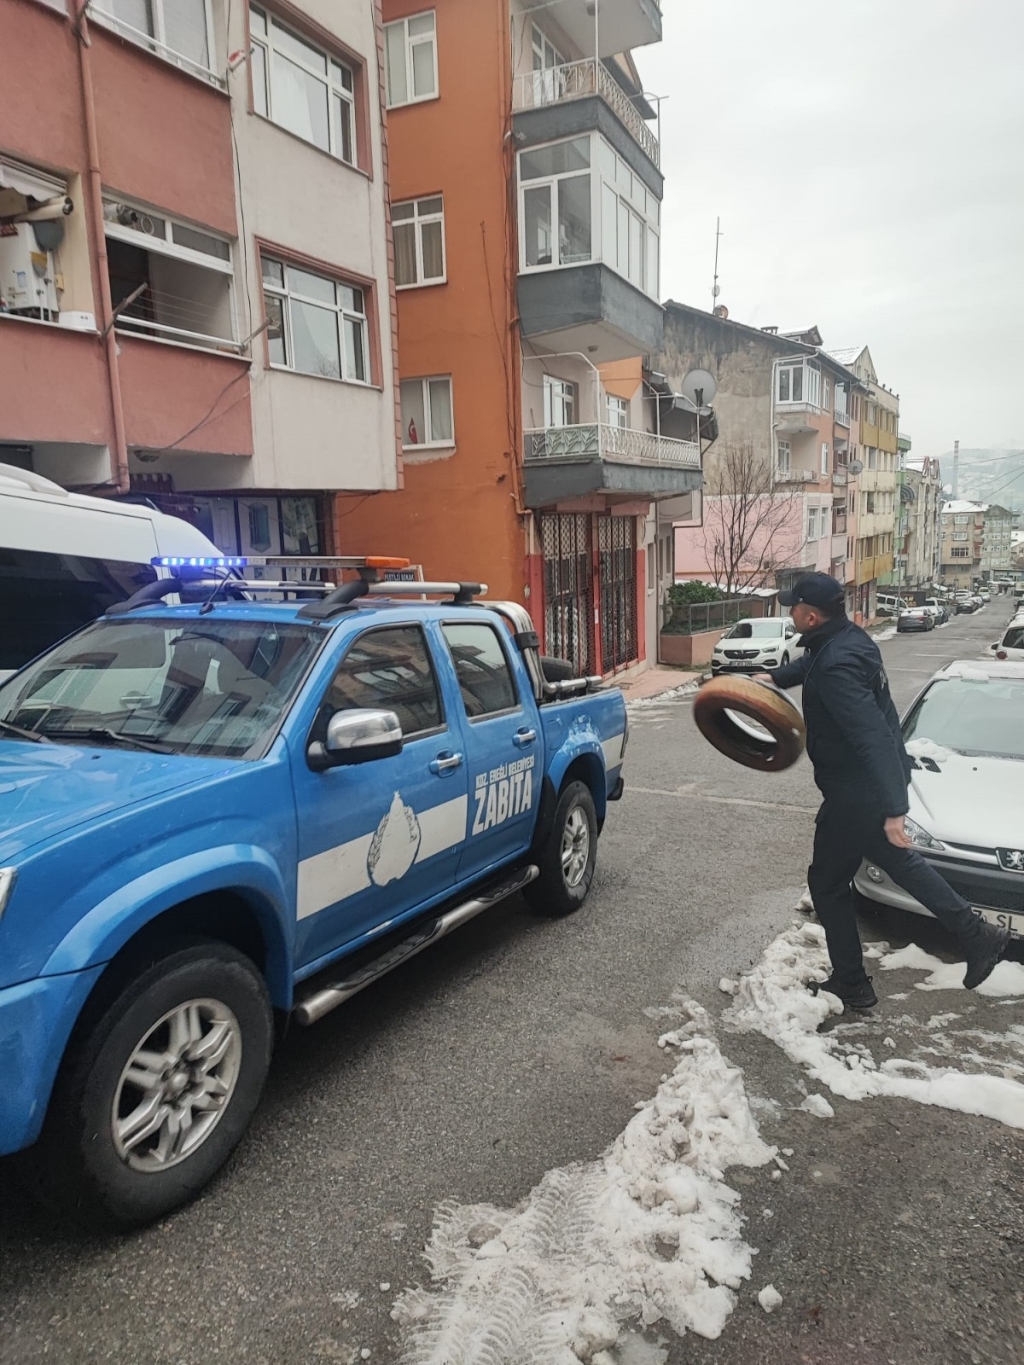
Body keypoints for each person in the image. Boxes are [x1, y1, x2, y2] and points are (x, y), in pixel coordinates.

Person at [759, 572, 1009, 1010]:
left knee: (828, 882)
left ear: (811, 616)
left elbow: (871, 736)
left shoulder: (836, 665)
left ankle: (854, 981)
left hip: (856, 792)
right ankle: (974, 934)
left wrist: (895, 808)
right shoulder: (845, 640)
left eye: (793, 606)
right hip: (862, 788)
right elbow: (811, 664)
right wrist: (773, 679)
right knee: (896, 863)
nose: (789, 611)